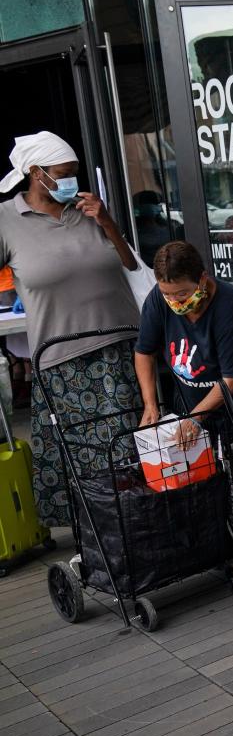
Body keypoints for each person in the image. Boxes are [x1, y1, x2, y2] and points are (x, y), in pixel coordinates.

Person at [0, 131, 140, 526]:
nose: (70, 183)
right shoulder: (7, 220)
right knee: (80, 453)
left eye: (74, 174)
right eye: (62, 174)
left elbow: (129, 264)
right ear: (35, 173)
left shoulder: (89, 210)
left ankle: (139, 524)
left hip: (120, 345)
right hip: (60, 357)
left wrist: (106, 219)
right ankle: (95, 532)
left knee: (129, 446)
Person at [134, 241, 233, 448]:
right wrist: (150, 404)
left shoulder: (231, 307)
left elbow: (232, 378)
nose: (174, 301)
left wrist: (195, 418)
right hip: (189, 400)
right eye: (167, 294)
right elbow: (144, 352)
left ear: (202, 279)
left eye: (182, 293)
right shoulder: (158, 299)